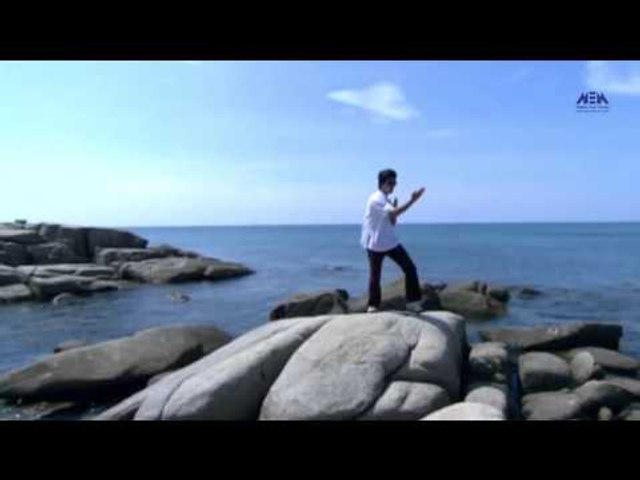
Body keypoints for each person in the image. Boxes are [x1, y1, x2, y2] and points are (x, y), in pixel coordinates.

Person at [360, 169, 426, 313]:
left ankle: (412, 302)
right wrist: (412, 201)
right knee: (375, 276)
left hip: (390, 242)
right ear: (382, 183)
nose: (393, 186)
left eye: (394, 183)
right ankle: (373, 305)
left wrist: (394, 211)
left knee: (410, 268)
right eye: (390, 183)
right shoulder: (376, 198)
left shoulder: (386, 199)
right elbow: (394, 212)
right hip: (375, 244)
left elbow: (392, 221)